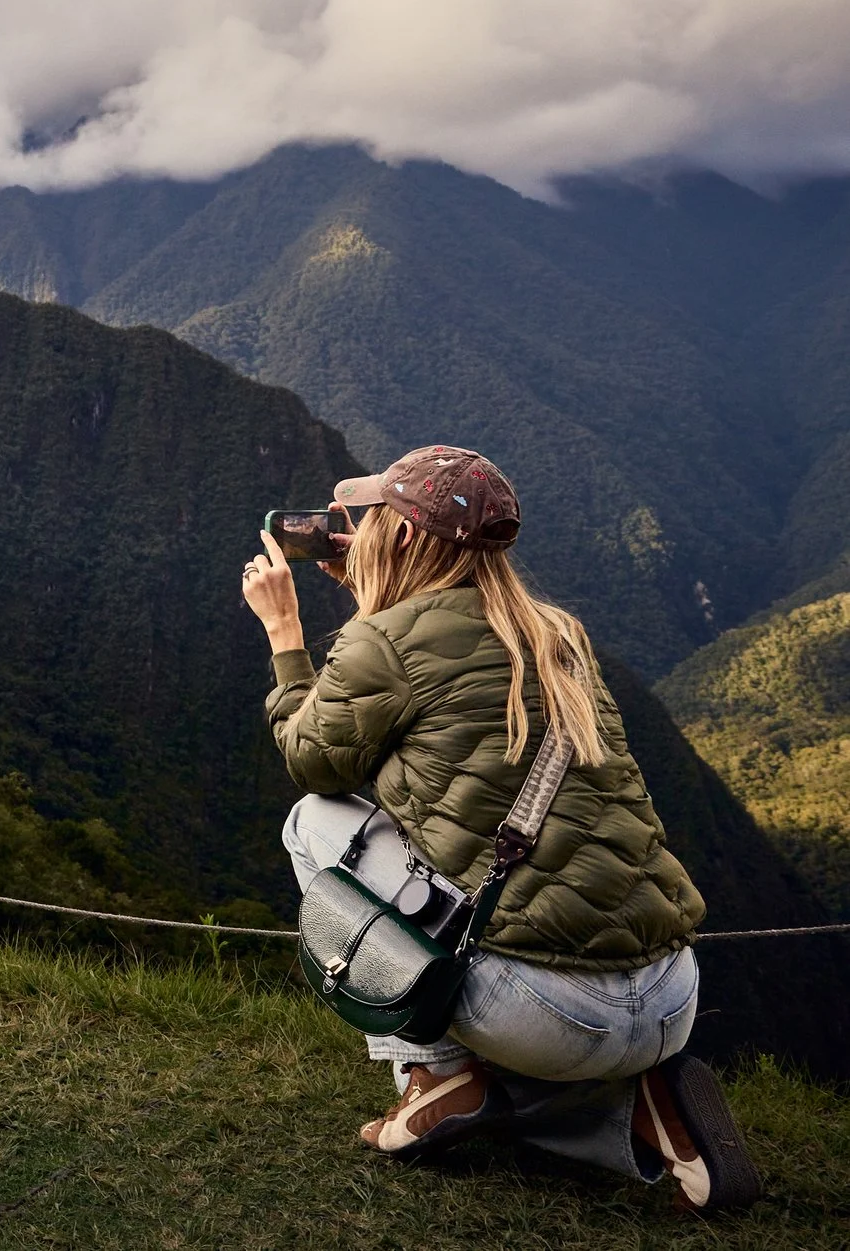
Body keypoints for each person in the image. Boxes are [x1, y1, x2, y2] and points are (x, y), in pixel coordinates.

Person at [242, 445, 761, 1212]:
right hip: (668, 996)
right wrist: (380, 601)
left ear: (405, 539)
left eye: (375, 518)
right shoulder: (560, 635)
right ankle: (647, 1115)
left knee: (314, 822)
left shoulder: (383, 642)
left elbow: (313, 759)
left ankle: (432, 1071)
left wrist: (286, 635)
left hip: (547, 1015)